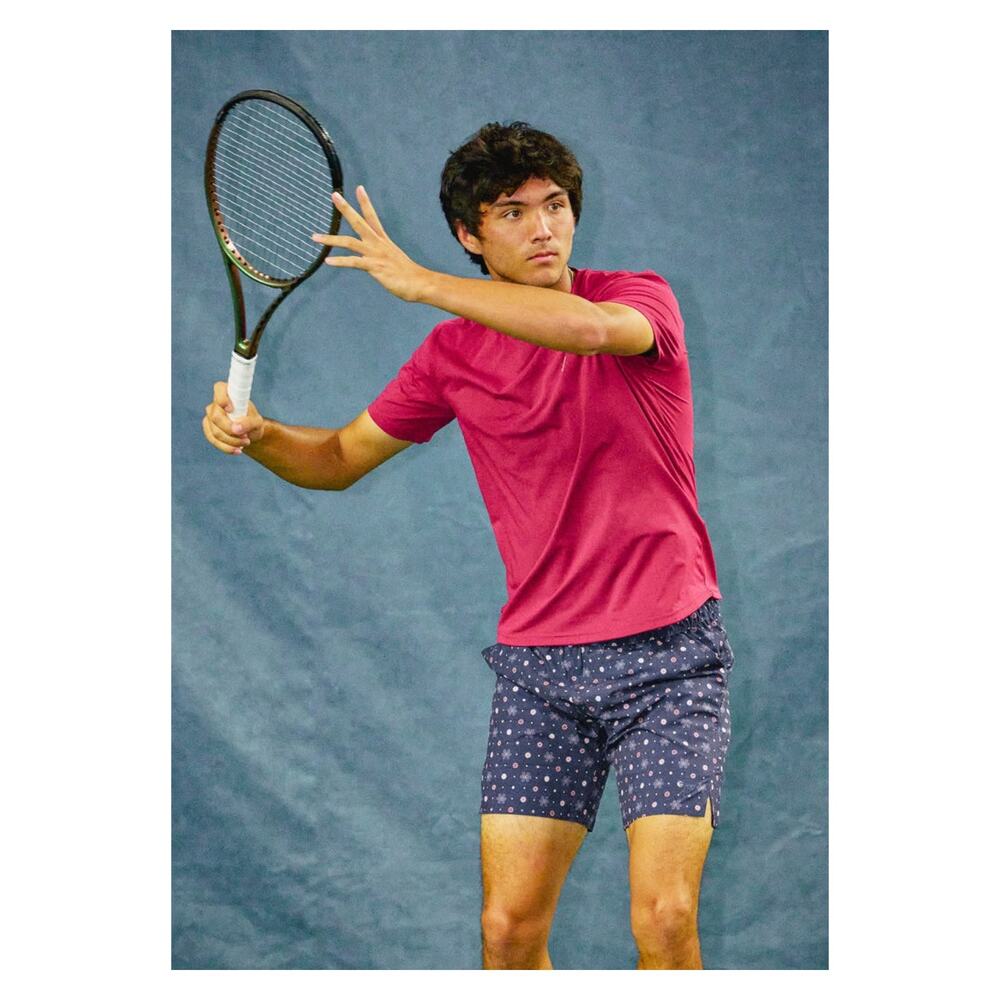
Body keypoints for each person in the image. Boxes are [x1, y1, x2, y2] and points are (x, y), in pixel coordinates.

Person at [202, 122, 734, 970]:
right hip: (541, 671)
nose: (544, 228)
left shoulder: (639, 298)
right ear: (470, 235)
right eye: (512, 213)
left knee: (664, 919)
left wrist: (422, 283)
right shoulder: (453, 354)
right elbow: (337, 459)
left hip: (668, 660)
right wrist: (261, 436)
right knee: (507, 930)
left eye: (555, 206)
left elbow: (590, 332)